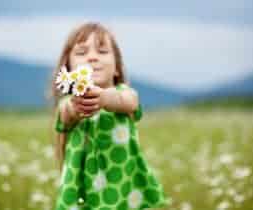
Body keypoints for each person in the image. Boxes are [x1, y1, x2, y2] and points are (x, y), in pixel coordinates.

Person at [51, 22, 172, 210]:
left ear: (117, 68)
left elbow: (130, 102)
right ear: (67, 69)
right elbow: (66, 115)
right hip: (83, 187)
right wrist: (77, 106)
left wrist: (105, 98)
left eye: (102, 51)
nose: (92, 58)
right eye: (82, 53)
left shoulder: (124, 93)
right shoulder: (68, 103)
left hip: (121, 184)